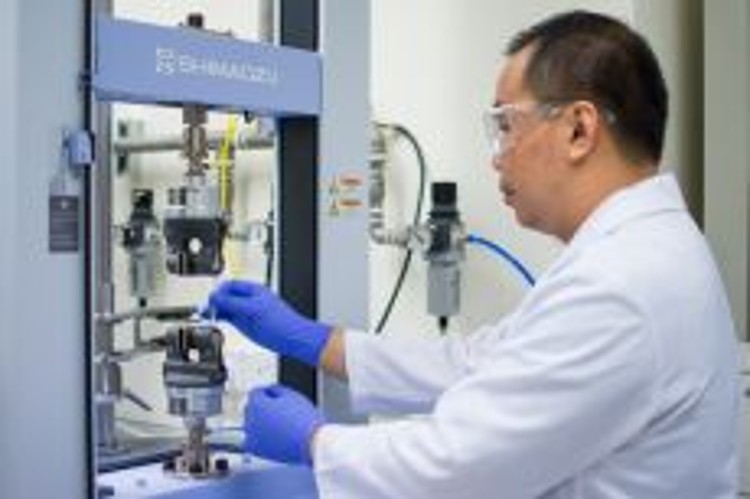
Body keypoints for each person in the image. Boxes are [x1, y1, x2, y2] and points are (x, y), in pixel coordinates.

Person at [206, 10, 740, 498]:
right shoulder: (646, 252)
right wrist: (316, 341)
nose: (497, 158)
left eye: (506, 126)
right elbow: (484, 366)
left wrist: (315, 442)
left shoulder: (621, 283)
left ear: (579, 129)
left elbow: (459, 465)